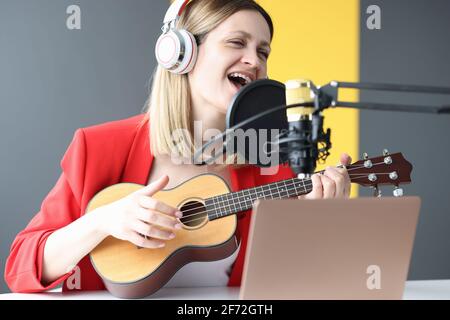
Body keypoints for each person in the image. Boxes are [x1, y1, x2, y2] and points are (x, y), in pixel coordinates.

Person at [4, 0, 352, 294]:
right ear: (181, 54)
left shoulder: (275, 162)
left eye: (262, 51)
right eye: (236, 43)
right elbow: (21, 267)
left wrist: (317, 225)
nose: (254, 61)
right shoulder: (97, 148)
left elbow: (298, 288)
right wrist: (101, 221)